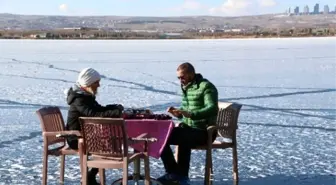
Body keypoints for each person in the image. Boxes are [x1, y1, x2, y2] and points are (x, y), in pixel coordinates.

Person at [157, 62, 219, 185]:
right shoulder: (186, 87)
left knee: (172, 137)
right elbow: (185, 110)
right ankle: (178, 175)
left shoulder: (206, 87)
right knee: (161, 136)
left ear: (191, 74)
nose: (180, 80)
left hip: (204, 132)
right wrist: (178, 114)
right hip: (189, 129)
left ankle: (175, 174)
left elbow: (212, 108)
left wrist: (192, 114)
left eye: (182, 77)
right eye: (178, 77)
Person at [65, 67, 124, 185]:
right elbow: (94, 115)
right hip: (76, 139)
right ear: (88, 83)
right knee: (110, 145)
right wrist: (116, 113)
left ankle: (90, 177)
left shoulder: (85, 96)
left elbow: (99, 109)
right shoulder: (79, 99)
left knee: (110, 143)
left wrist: (114, 107)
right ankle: (89, 177)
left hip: (87, 137)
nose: (99, 85)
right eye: (96, 82)